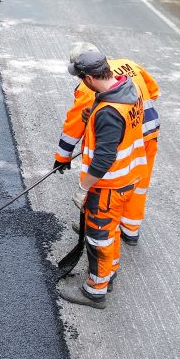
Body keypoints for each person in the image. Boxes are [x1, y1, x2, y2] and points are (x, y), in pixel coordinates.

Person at [58, 53, 148, 309]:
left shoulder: (109, 112)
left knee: (98, 240)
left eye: (80, 78)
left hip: (109, 186)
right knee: (110, 233)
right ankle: (109, 273)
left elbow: (104, 159)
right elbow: (121, 129)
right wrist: (93, 117)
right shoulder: (126, 88)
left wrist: (83, 188)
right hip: (129, 178)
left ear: (89, 78)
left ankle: (95, 291)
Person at [54, 42, 160, 244]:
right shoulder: (128, 65)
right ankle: (130, 230)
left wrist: (62, 156)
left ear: (87, 75)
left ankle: (97, 225)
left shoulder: (89, 87)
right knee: (137, 183)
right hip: (146, 133)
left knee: (105, 184)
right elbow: (153, 92)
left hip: (123, 139)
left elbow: (74, 126)